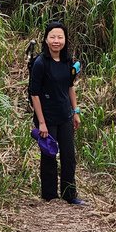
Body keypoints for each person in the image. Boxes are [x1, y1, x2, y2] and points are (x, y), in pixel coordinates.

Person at [29, 21, 84, 204]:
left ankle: (70, 194)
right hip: (47, 117)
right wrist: (42, 122)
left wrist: (75, 111)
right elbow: (34, 94)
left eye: (60, 37)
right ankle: (50, 195)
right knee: (49, 155)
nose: (56, 41)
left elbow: (70, 87)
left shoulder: (68, 61)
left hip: (65, 115)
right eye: (52, 37)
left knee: (69, 156)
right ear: (46, 39)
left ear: (65, 40)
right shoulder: (40, 63)